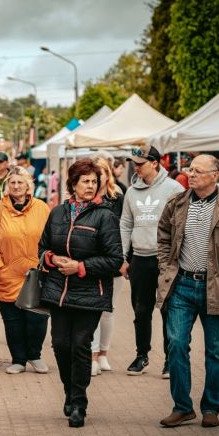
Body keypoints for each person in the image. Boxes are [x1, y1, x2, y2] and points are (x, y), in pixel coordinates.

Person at [157, 154, 219, 428]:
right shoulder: (176, 204)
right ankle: (182, 407)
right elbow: (163, 236)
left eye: (198, 171)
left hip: (217, 287)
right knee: (175, 344)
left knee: (215, 351)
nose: (192, 174)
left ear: (215, 175)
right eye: (191, 169)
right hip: (181, 286)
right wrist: (165, 266)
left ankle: (211, 408)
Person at [38, 158, 123, 428]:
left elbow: (115, 260)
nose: (90, 186)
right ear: (73, 184)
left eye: (94, 182)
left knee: (80, 345)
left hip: (90, 293)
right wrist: (51, 259)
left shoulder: (105, 216)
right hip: (58, 292)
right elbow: (41, 248)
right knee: (60, 345)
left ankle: (79, 403)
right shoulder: (57, 213)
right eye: (85, 181)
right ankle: (69, 390)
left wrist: (81, 267)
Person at [119, 144, 184, 378]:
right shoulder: (131, 191)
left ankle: (170, 359)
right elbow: (125, 224)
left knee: (168, 309)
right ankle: (141, 355)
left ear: (155, 163)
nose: (136, 168)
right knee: (141, 310)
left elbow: (181, 226)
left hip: (165, 261)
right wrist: (123, 257)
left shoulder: (174, 188)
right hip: (140, 259)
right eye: (134, 164)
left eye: (140, 163)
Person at [0, 166, 50, 374]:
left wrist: (47, 262)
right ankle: (18, 359)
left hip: (36, 274)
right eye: (12, 183)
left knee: (37, 318)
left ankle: (34, 355)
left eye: (21, 182)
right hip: (6, 273)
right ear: (6, 186)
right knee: (13, 322)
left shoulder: (42, 208)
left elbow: (51, 238)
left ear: (29, 186)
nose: (16, 186)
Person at [89, 154, 124, 376]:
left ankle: (103, 353)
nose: (97, 176)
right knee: (91, 308)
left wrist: (123, 259)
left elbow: (124, 228)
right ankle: (91, 355)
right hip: (90, 260)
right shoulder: (82, 196)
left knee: (108, 310)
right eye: (93, 172)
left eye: (101, 172)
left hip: (112, 259)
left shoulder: (117, 195)